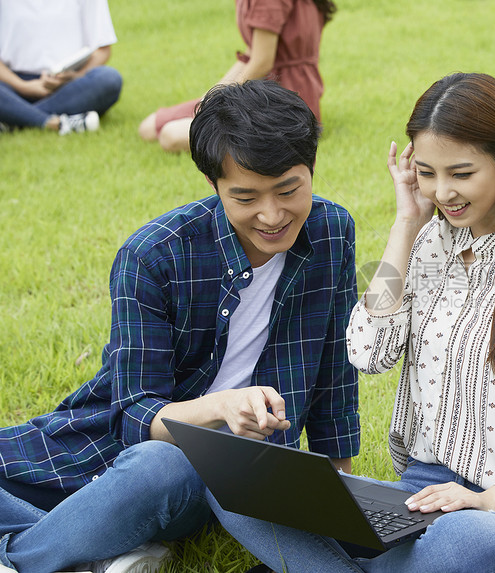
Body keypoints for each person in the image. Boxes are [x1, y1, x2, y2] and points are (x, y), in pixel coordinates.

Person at [210, 72, 495, 573]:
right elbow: (367, 350)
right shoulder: (427, 245)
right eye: (426, 172)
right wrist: (406, 224)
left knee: (457, 546)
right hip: (419, 496)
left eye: (461, 174)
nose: (443, 192)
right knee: (247, 492)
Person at [0, 80, 360, 573]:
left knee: (163, 465)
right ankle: (95, 550)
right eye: (245, 196)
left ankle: (26, 558)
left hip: (208, 479)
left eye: (289, 190)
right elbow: (133, 419)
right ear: (213, 186)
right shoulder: (152, 255)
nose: (272, 214)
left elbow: (335, 372)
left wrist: (340, 493)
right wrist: (221, 406)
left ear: (311, 170)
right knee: (148, 461)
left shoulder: (332, 232)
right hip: (101, 451)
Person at [138, 0, 336, 153]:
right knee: (148, 128)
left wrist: (218, 103)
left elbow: (262, 62)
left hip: (279, 97)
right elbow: (250, 56)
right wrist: (210, 98)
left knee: (170, 136)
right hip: (257, 88)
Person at [0, 0, 123, 135]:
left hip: (67, 85)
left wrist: (76, 76)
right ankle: (52, 123)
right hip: (12, 84)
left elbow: (103, 50)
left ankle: (12, 118)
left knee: (108, 79)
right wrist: (22, 86)